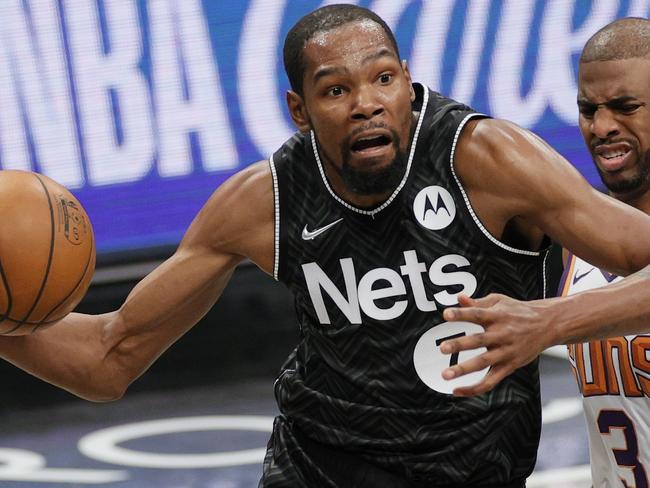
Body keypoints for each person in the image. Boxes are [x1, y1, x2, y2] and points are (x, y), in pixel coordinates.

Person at [2, 4, 650, 487]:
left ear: (407, 80)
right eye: (337, 90)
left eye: (384, 80)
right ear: (299, 109)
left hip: (477, 470)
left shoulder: (486, 160)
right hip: (318, 469)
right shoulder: (265, 201)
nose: (367, 104)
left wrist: (549, 321)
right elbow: (109, 358)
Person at [440, 17, 650, 487]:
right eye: (588, 109)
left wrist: (547, 321)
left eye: (624, 107)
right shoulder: (578, 243)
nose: (602, 126)